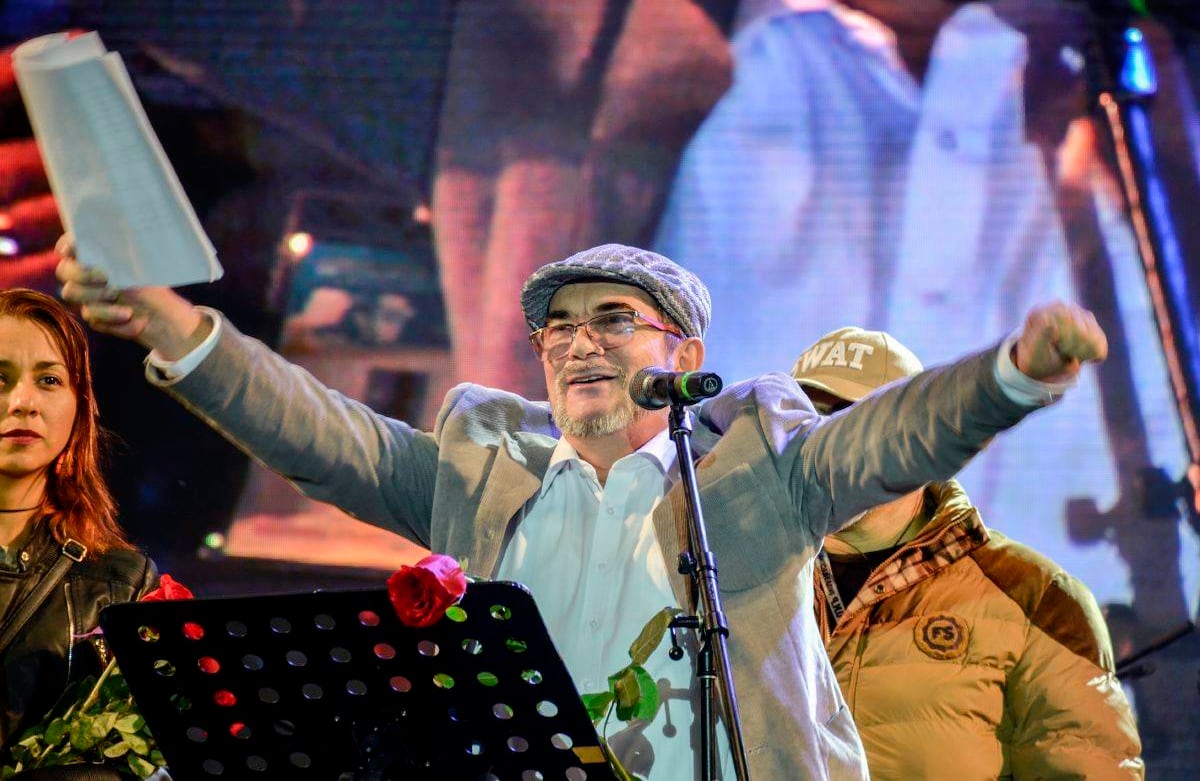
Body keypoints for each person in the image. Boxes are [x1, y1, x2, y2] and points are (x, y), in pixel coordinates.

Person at [57, 240, 1107, 779]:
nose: (577, 342)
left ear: (682, 356)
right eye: (558, 326)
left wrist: (1014, 375)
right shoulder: (481, 480)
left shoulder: (752, 475)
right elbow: (319, 432)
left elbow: (893, 436)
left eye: (614, 319)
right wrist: (181, 330)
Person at [791, 325, 1143, 779]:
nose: (831, 444)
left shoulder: (1035, 598)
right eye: (810, 419)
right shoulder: (726, 578)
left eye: (856, 421)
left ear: (921, 441)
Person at [0, 289, 158, 759]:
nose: (23, 402)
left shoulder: (119, 582)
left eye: (49, 380)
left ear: (79, 406)